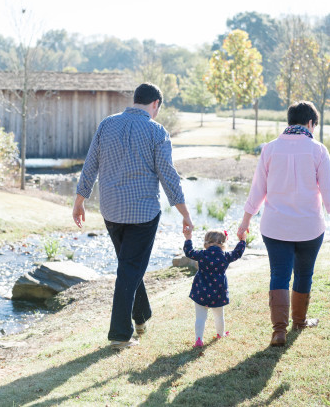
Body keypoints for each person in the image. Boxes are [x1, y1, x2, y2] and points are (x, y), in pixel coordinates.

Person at [73, 83, 193, 350]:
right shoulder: (156, 130)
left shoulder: (107, 124)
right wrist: (184, 213)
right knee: (129, 269)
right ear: (155, 104)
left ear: (135, 100)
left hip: (111, 211)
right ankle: (119, 335)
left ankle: (141, 318)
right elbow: (168, 174)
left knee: (129, 266)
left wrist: (79, 201)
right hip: (143, 213)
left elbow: (90, 164)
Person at [237, 101, 330, 347]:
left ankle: (279, 331)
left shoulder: (270, 149)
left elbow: (257, 190)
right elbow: (329, 191)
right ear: (310, 123)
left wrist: (245, 221)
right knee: (304, 273)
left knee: (279, 274)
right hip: (309, 228)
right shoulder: (318, 150)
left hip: (275, 227)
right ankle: (299, 321)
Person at [183, 228, 246, 348]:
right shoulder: (225, 256)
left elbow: (188, 252)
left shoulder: (201, 254)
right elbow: (238, 253)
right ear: (223, 243)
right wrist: (242, 240)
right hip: (218, 292)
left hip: (201, 291)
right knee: (219, 316)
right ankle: (220, 334)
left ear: (206, 242)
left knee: (200, 318)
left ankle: (198, 340)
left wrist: (188, 238)